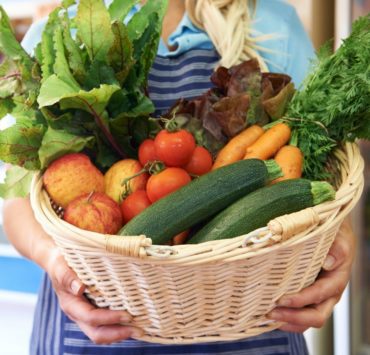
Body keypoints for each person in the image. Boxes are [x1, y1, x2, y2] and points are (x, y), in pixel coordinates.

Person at [3, 0, 356, 354]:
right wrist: (56, 263)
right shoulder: (62, 27)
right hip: (96, 326)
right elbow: (18, 201)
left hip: (253, 324)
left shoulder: (272, 23)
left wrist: (340, 240)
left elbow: (326, 164)